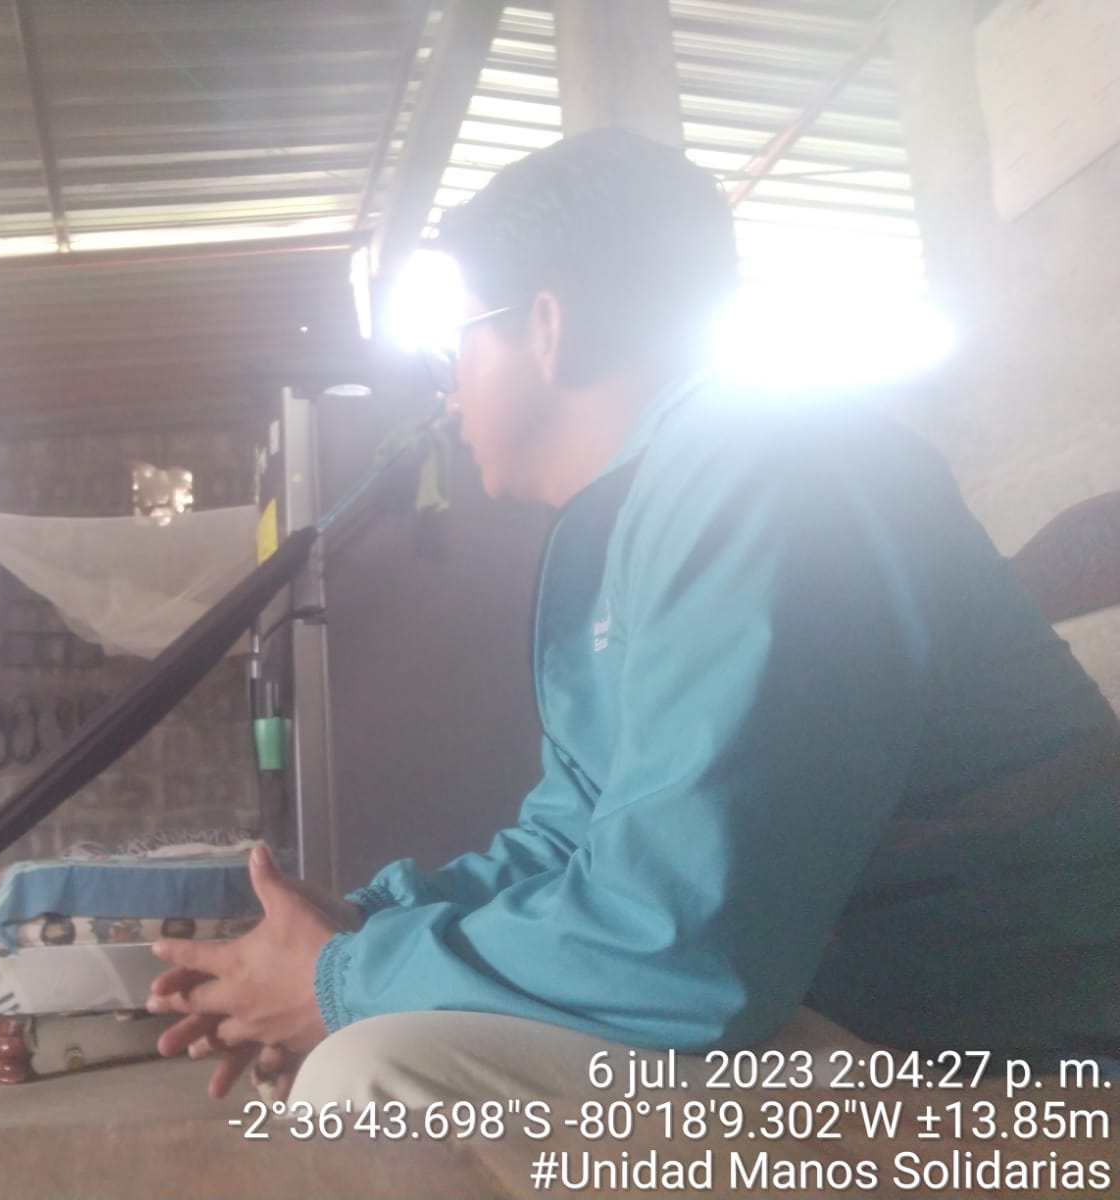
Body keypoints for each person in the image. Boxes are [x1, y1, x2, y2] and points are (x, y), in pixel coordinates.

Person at [145, 129, 1120, 1107]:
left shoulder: (761, 476)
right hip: (856, 1012)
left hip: (1013, 1058)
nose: (444, 394)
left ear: (548, 327)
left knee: (380, 1067)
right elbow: (578, 839)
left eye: (456, 345)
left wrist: (342, 985)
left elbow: (683, 942)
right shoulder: (643, 516)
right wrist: (358, 933)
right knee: (383, 1026)